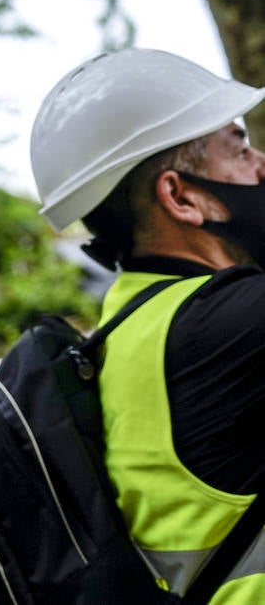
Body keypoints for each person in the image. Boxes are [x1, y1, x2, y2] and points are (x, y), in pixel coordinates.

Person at [30, 48, 265, 601]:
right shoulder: (228, 326)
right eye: (241, 148)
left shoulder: (131, 324)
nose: (261, 166)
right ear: (180, 196)